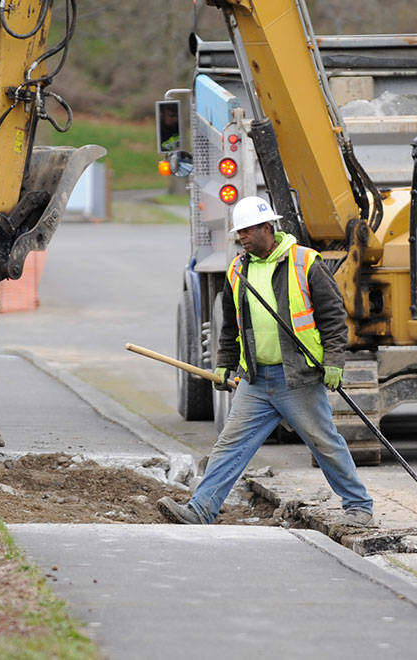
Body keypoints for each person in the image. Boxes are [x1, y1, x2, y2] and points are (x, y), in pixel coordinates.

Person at [158, 195, 376, 528]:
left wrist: (334, 360)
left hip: (298, 378)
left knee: (324, 442)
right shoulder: (237, 269)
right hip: (256, 381)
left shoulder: (305, 262)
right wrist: (224, 362)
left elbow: (333, 317)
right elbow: (231, 323)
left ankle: (359, 507)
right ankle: (201, 509)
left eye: (247, 231)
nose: (241, 238)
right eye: (238, 233)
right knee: (230, 446)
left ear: (267, 228)